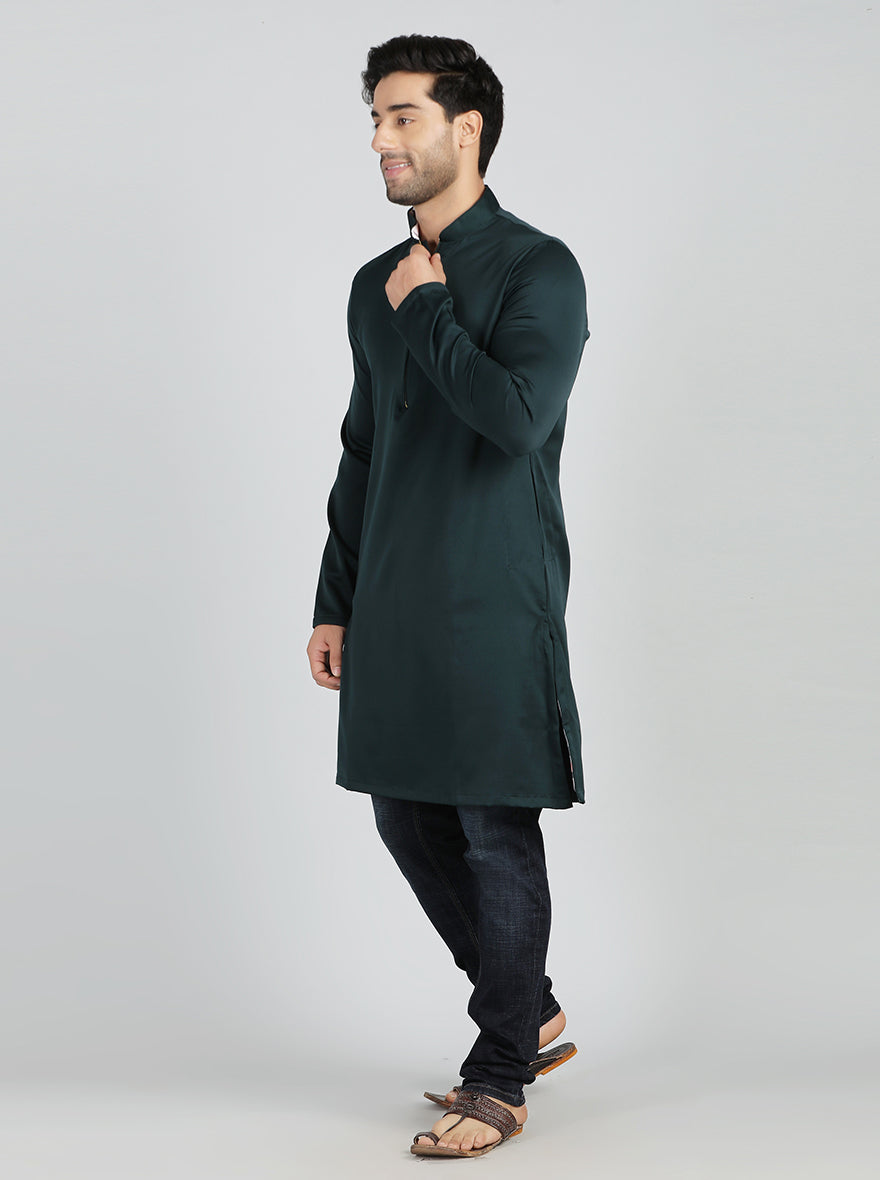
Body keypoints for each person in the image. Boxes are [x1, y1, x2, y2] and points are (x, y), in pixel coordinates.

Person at [306, 34, 589, 1158]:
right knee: (403, 812)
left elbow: (515, 418)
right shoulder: (372, 286)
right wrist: (334, 600)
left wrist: (428, 307)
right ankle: (531, 1010)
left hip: (492, 593)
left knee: (490, 823)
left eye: (402, 117)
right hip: (393, 595)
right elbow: (362, 451)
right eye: (374, 118)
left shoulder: (538, 268)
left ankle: (500, 1073)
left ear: (465, 130)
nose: (380, 139)